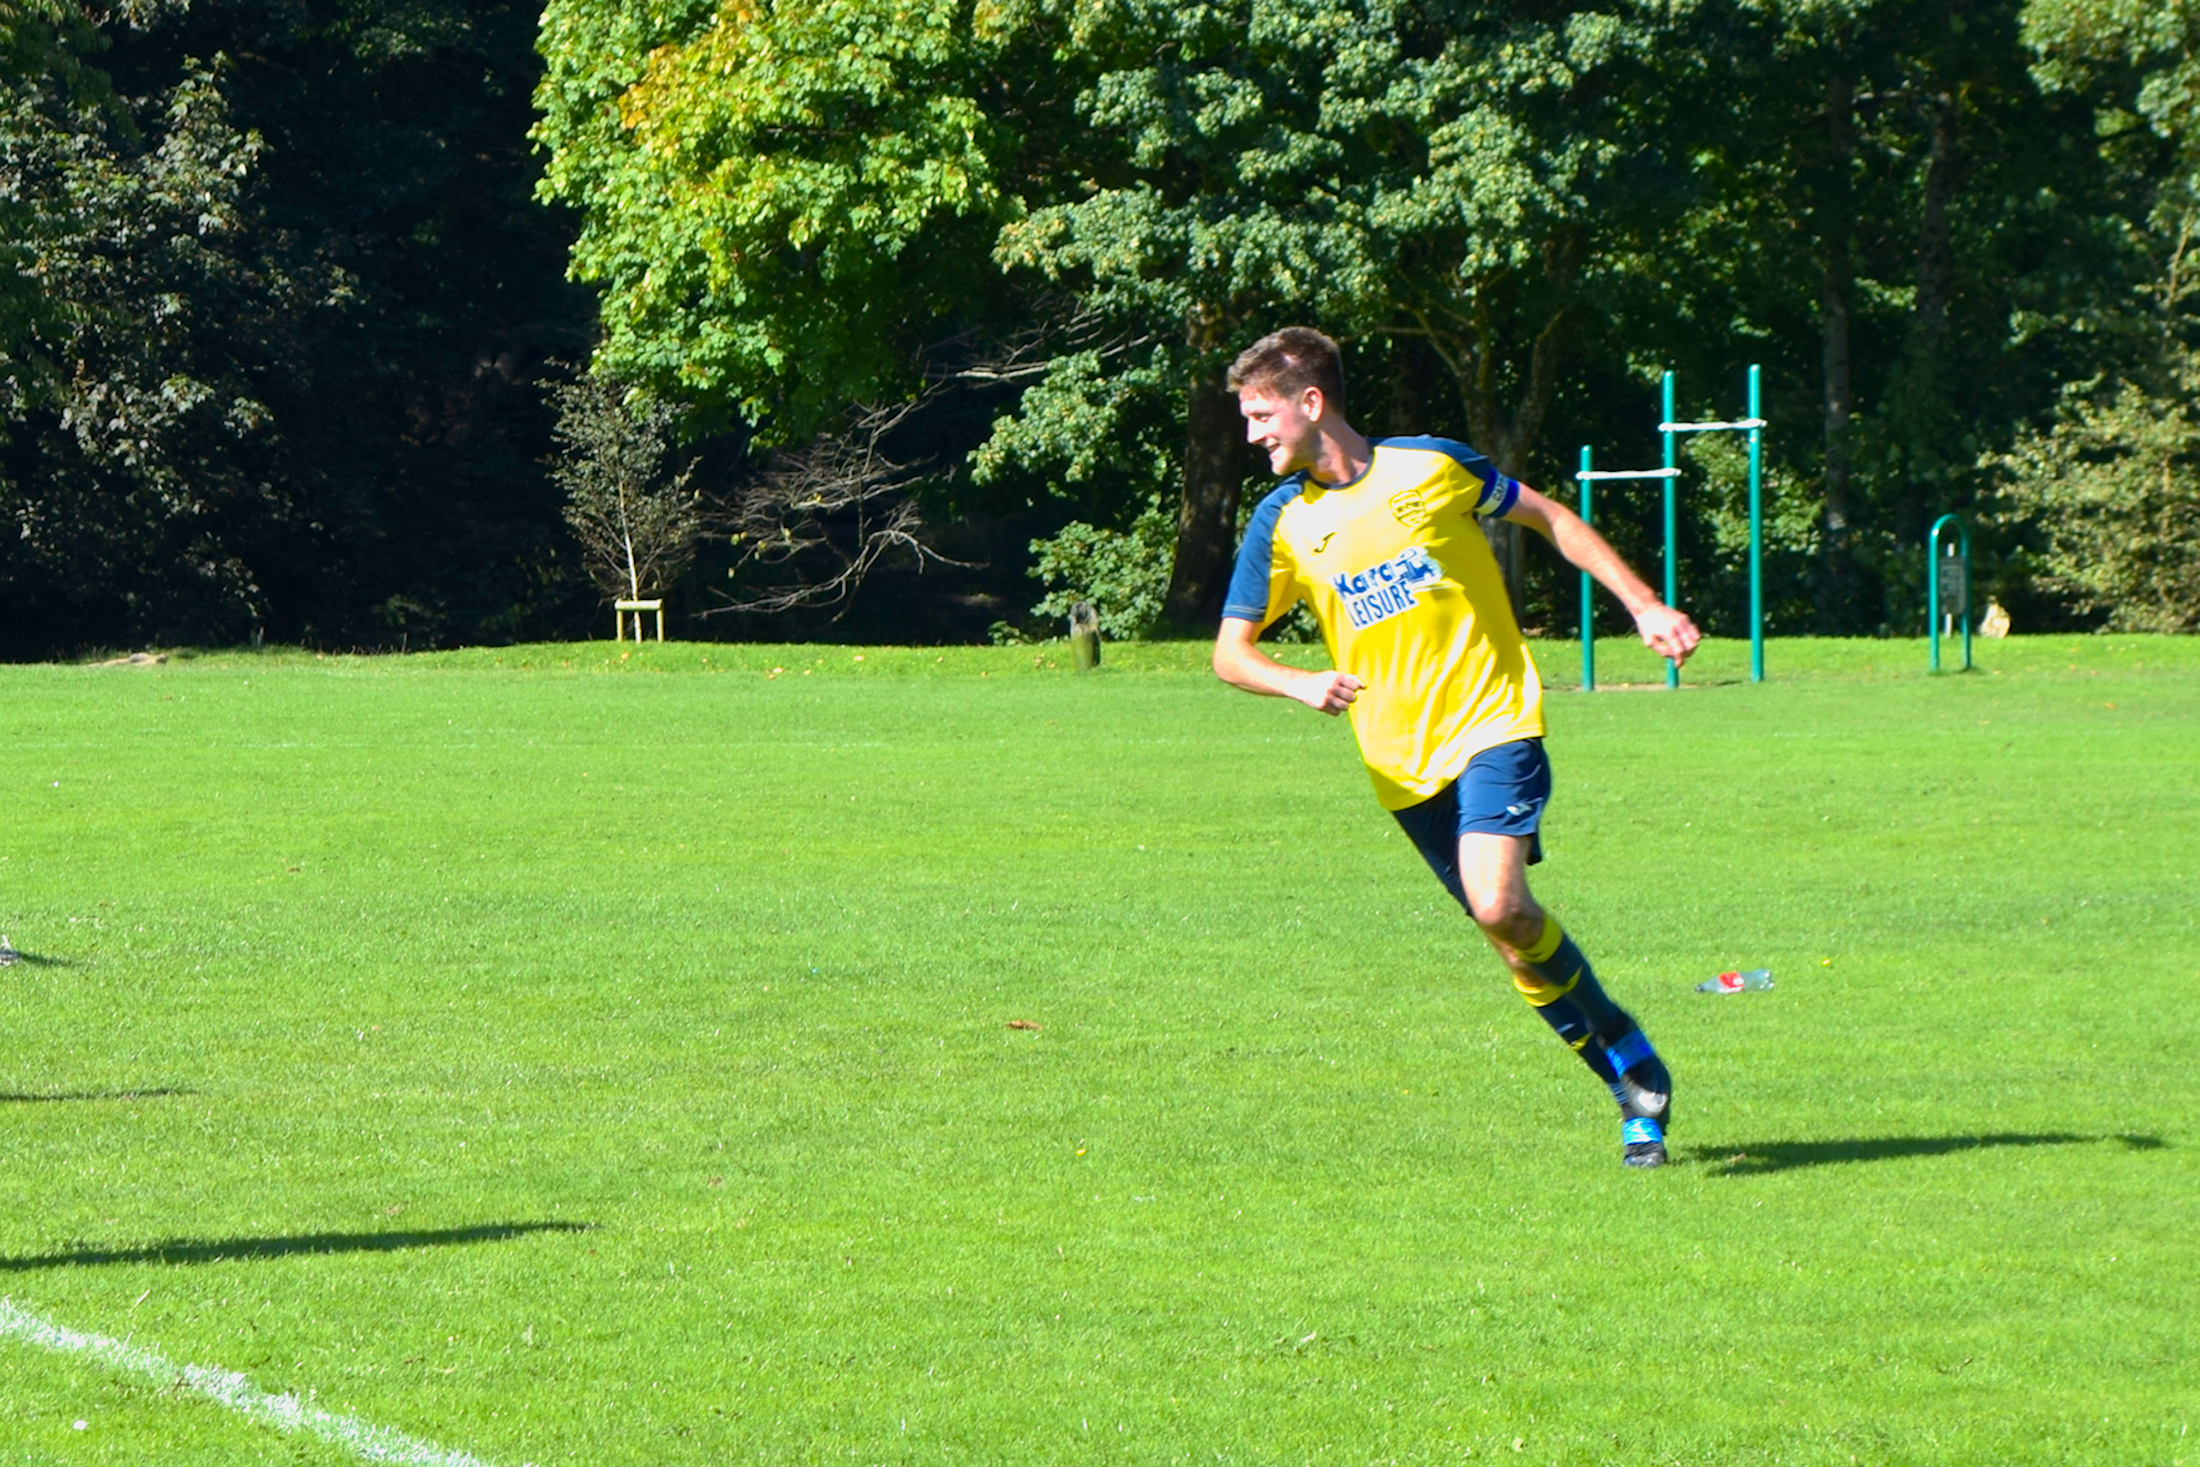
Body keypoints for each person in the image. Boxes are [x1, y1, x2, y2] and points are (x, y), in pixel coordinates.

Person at [1211, 327, 1702, 1168]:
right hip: (1398, 765)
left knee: (1498, 900)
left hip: (1494, 721)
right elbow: (1230, 651)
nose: (1253, 433)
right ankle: (1630, 1086)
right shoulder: (1283, 521)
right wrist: (1297, 682)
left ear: (1311, 403)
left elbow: (1549, 516)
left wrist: (1644, 605)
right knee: (1510, 936)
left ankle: (1622, 1045)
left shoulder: (1431, 468)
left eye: (1262, 415)